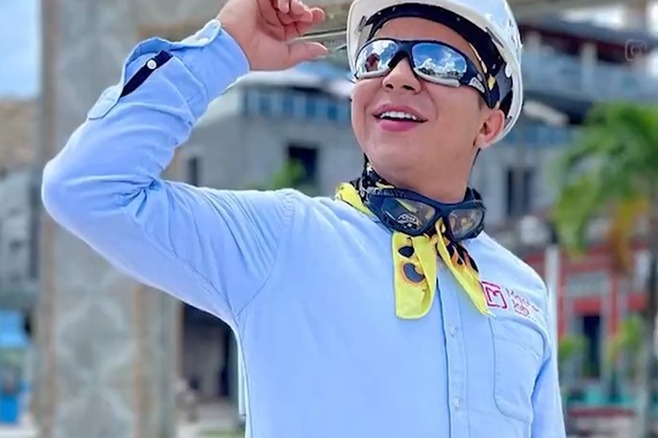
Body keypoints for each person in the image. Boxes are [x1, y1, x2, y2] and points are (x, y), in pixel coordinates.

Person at [40, 0, 565, 436]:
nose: (398, 77)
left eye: (440, 61)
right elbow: (88, 187)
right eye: (379, 57)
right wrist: (225, 49)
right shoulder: (283, 240)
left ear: (490, 123)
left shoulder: (523, 290)